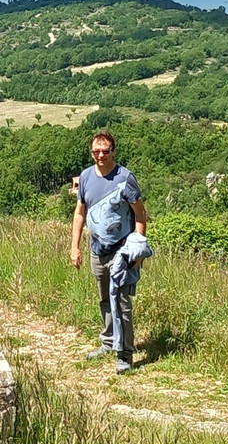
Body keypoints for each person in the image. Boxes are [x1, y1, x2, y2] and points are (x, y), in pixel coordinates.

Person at [69, 131, 147, 375]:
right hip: (97, 250)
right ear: (91, 152)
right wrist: (75, 246)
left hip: (122, 252)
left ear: (113, 151)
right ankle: (108, 343)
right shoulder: (86, 177)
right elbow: (79, 213)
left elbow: (141, 216)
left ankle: (125, 355)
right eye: (96, 151)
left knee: (121, 301)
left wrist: (138, 249)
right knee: (105, 298)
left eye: (105, 151)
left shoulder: (125, 178)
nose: (101, 155)